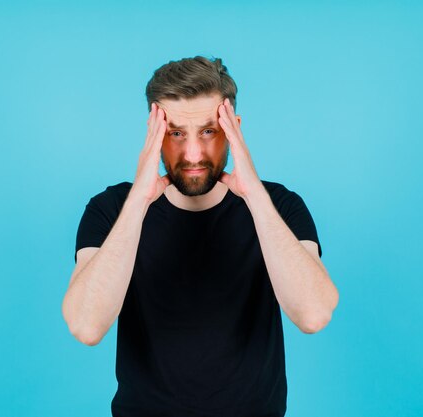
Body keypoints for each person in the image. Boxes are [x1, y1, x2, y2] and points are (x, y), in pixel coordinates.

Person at [62, 56, 339, 417]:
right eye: (176, 133)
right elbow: (86, 325)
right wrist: (139, 202)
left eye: (209, 131)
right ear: (153, 134)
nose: (193, 154)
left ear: (234, 130)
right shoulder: (111, 208)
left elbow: (314, 315)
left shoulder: (279, 206)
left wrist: (255, 195)